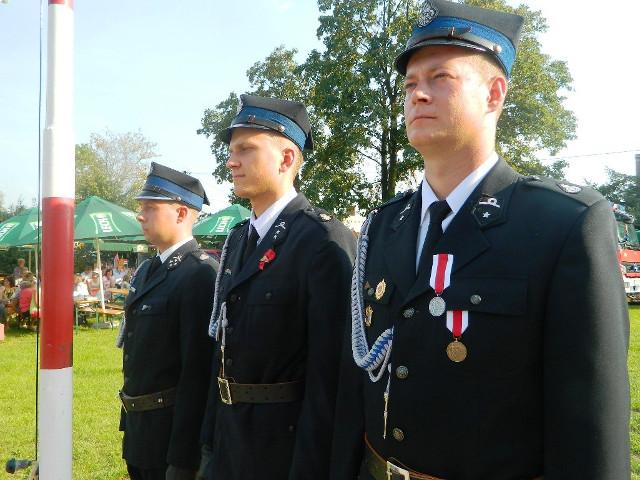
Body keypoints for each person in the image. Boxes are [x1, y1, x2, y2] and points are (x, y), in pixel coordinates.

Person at [330, 1, 630, 479]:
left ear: (494, 93)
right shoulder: (384, 225)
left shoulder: (562, 223)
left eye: (440, 78)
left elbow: (590, 425)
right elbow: (358, 384)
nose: (417, 95)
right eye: (409, 84)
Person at [198, 95, 356, 479]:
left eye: (246, 150)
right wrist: (209, 446)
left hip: (283, 452)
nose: (231, 162)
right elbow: (222, 349)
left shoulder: (321, 240)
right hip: (231, 443)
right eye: (231, 151)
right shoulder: (238, 239)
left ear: (286, 159)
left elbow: (332, 379)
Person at [118, 162, 219, 480]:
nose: (140, 215)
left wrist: (185, 457)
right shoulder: (147, 271)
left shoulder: (200, 274)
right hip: (140, 432)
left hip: (171, 437)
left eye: (150, 207)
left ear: (182, 213)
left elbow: (198, 374)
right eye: (141, 208)